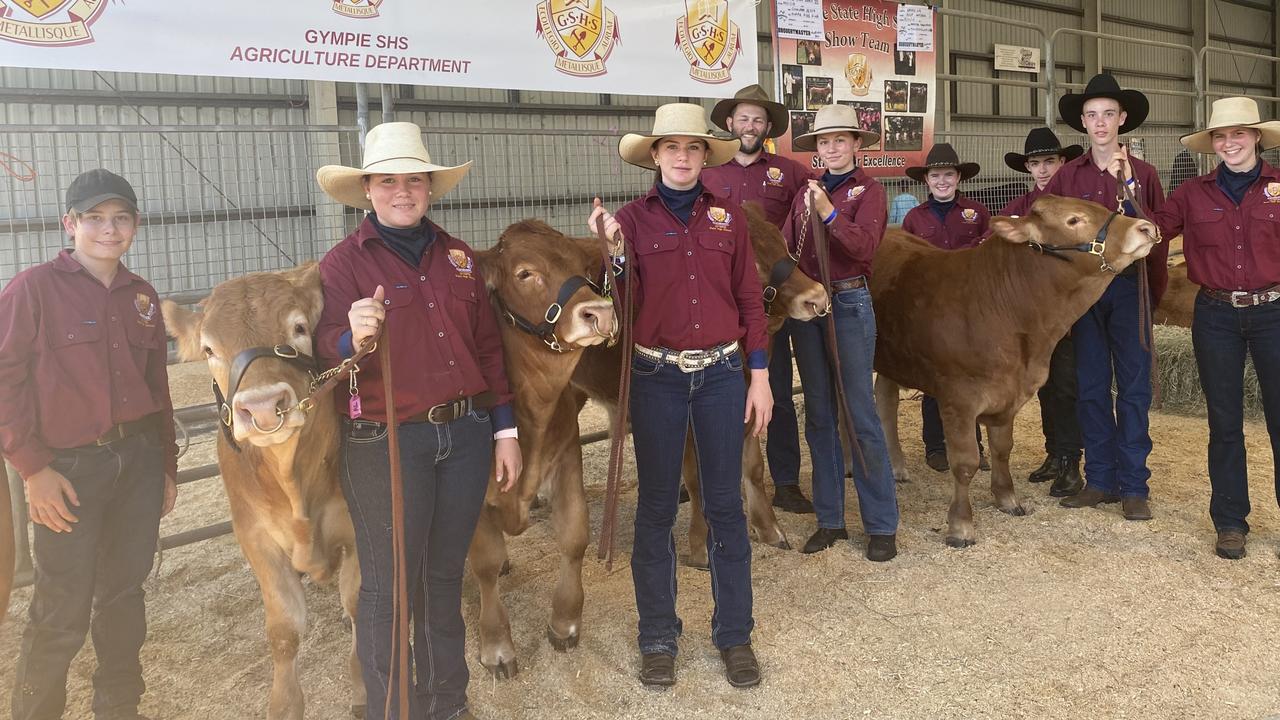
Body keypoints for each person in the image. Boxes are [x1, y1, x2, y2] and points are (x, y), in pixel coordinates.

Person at [315, 122, 522, 720]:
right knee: (387, 587)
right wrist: (346, 335)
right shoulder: (342, 266)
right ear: (368, 190)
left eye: (413, 180)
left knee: (441, 575)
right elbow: (322, 348)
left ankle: (446, 702)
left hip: (463, 435)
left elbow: (488, 351)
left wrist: (503, 430)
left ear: (430, 187)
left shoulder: (458, 257)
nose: (401, 191)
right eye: (386, 181)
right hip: (385, 440)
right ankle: (392, 708)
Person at [588, 103, 772, 689]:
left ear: (703, 155)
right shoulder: (630, 221)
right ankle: (658, 635)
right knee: (657, 509)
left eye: (693, 148)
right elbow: (622, 306)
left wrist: (760, 374)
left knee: (724, 506)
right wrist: (613, 255)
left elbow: (748, 297)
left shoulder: (728, 219)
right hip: (657, 376)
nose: (683, 157)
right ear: (655, 155)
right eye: (672, 148)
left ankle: (734, 635)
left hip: (721, 374)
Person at [1, 169, 178, 720]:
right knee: (62, 608)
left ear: (135, 226)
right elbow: (5, 379)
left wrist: (166, 466)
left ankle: (119, 706)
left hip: (138, 465)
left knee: (125, 597)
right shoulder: (31, 289)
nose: (109, 229)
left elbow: (158, 388)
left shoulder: (142, 296)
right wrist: (33, 470)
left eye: (120, 218)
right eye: (95, 218)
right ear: (69, 223)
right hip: (68, 471)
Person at [1149, 97, 1280, 559]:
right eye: (1222, 137)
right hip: (1216, 315)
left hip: (1274, 312)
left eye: (1239, 134)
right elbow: (1154, 229)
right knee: (1224, 422)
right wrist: (1122, 189)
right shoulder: (1190, 193)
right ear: (1213, 144)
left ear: (1257, 138)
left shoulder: (1279, 187)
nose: (1230, 143)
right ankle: (1230, 521)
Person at [1044, 73, 1169, 521]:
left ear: (1123, 120)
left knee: (1133, 388)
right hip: (1084, 290)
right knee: (1091, 385)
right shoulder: (1067, 176)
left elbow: (1157, 231)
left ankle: (1134, 484)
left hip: (1128, 288)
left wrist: (1129, 186)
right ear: (1082, 121)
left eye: (1108, 115)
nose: (1100, 123)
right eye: (1092, 115)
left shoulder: (1146, 173)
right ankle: (1100, 478)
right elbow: (1053, 233)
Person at [780, 104, 899, 560]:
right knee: (820, 412)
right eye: (823, 142)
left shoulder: (869, 191)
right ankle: (830, 520)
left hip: (848, 299)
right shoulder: (802, 194)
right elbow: (791, 247)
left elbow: (864, 246)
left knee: (858, 411)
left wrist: (829, 213)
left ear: (855, 145)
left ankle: (881, 523)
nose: (830, 148)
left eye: (839, 140)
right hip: (808, 303)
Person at [703, 83, 815, 515]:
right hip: (717, 301)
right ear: (729, 123)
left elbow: (809, 213)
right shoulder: (708, 172)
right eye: (743, 118)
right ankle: (696, 476)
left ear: (768, 127)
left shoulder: (790, 172)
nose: (750, 126)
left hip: (769, 305)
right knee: (707, 391)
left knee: (779, 392)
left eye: (758, 119)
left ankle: (785, 481)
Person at [1001, 127, 1086, 497]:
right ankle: (1055, 453)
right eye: (1035, 163)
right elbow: (993, 240)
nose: (1042, 170)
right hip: (1033, 318)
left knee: (1067, 386)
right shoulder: (1022, 208)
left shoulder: (1075, 211)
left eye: (1049, 161)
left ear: (1062, 162)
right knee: (1046, 387)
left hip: (1068, 314)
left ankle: (1071, 460)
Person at [901, 143, 990, 473]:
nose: (942, 181)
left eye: (948, 174)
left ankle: (974, 445)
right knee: (933, 379)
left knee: (972, 377)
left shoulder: (977, 213)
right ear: (926, 180)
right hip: (931, 309)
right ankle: (935, 446)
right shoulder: (914, 218)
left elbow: (989, 255)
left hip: (970, 307)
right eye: (935, 175)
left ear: (958, 178)